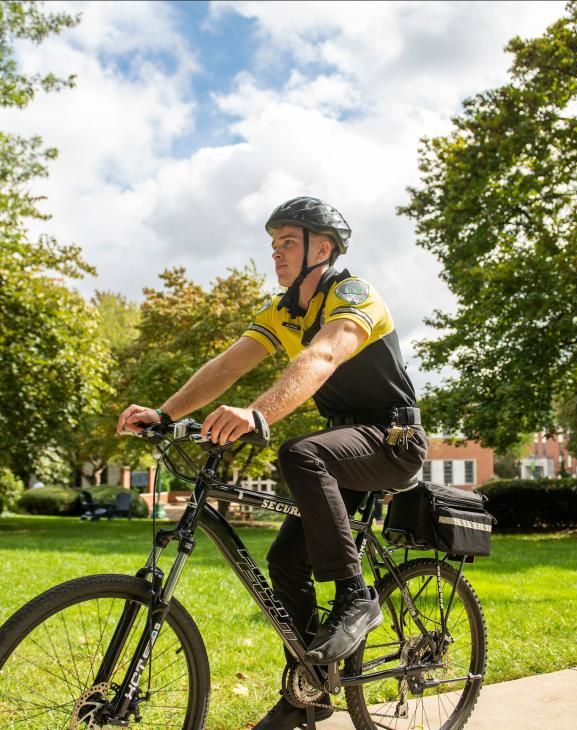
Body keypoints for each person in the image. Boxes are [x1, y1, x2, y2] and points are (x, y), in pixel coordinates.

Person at [117, 196, 427, 729]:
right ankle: (310, 689)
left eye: (287, 242)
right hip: (344, 446)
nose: (276, 253)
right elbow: (227, 366)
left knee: (299, 451)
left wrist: (258, 415)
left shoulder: (354, 295)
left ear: (321, 247)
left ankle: (357, 596)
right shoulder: (283, 311)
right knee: (285, 559)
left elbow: (324, 355)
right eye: (274, 244)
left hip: (393, 440)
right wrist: (166, 415)